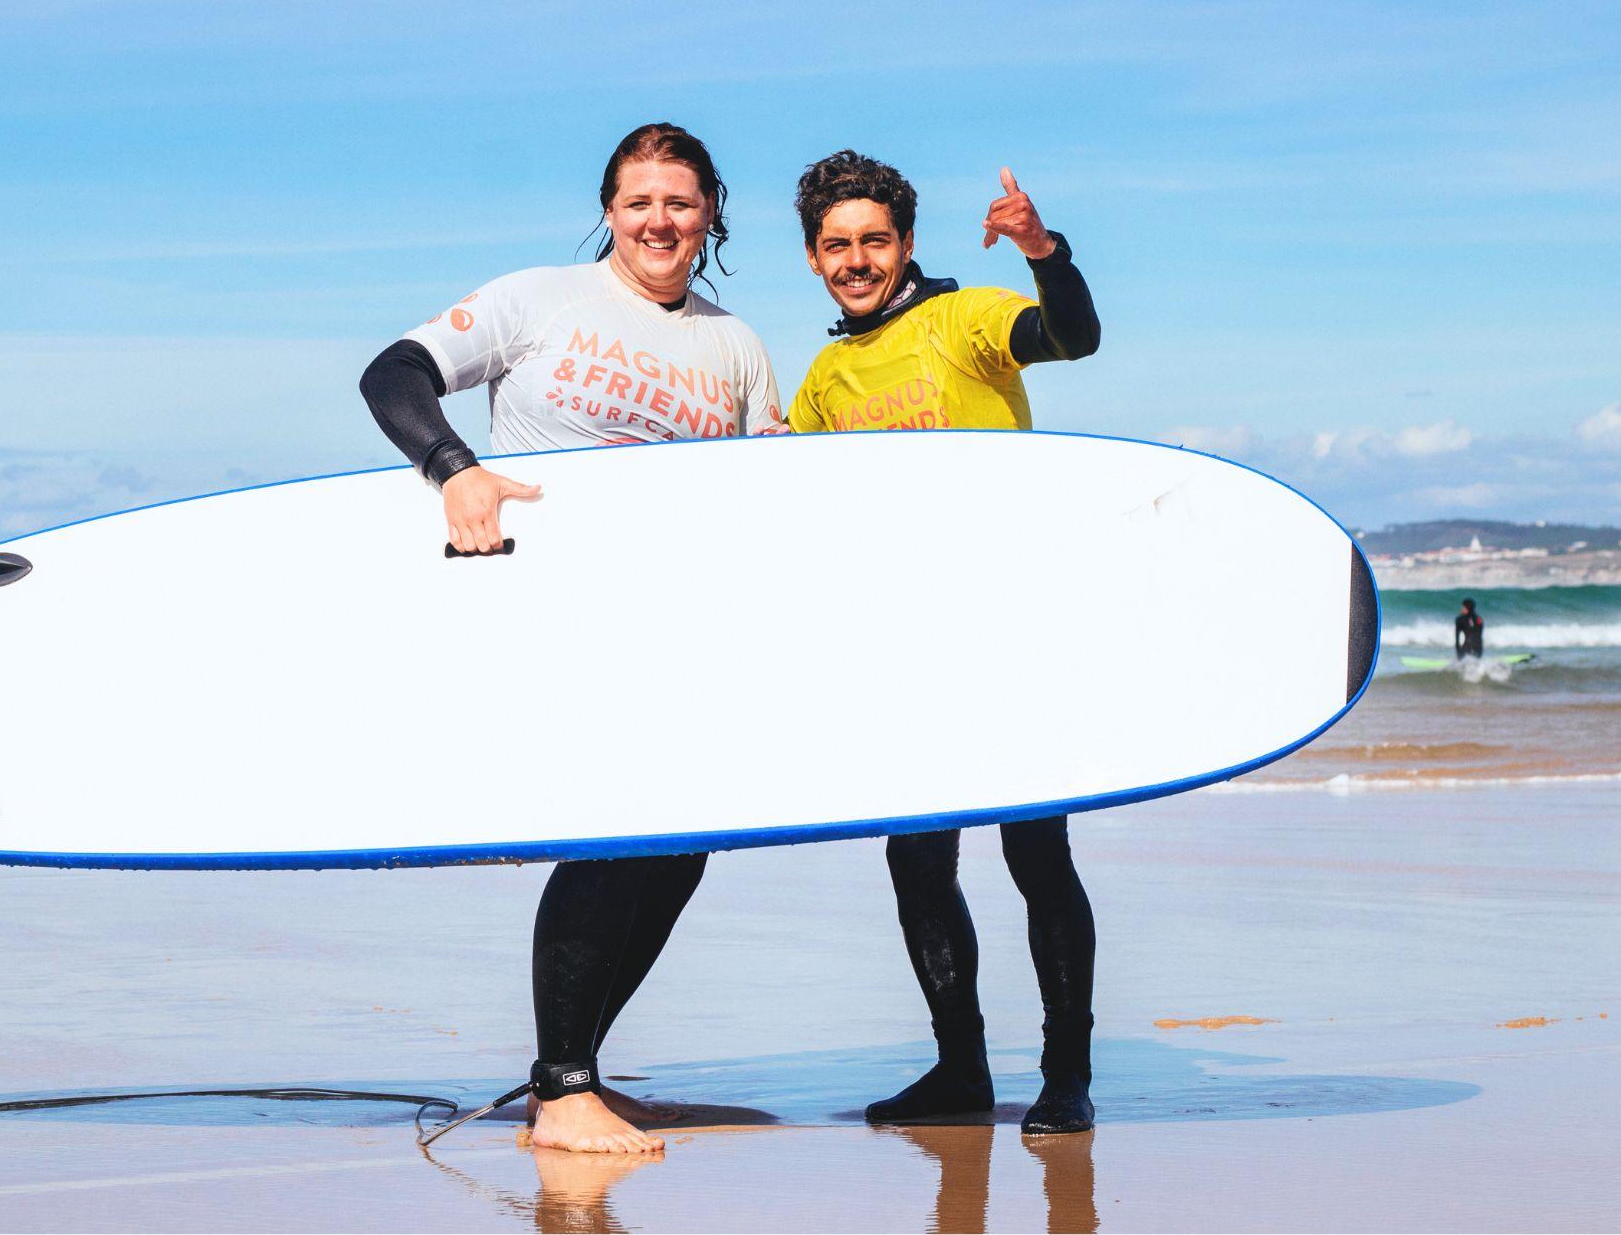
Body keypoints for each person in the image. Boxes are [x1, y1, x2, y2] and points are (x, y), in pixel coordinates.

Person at [359, 123, 783, 1152]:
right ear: (608, 210)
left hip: (670, 624)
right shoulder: (538, 298)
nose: (658, 220)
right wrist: (452, 467)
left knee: (678, 850)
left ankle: (577, 1068)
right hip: (549, 613)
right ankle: (562, 1089)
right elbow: (391, 375)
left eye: (680, 202)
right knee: (612, 830)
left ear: (710, 215)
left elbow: (767, 493)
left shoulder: (733, 343)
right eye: (639, 200)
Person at [784, 150, 1103, 1134]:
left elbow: (1071, 336)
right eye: (836, 245)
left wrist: (1041, 250)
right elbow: (797, 514)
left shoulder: (964, 320)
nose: (856, 259)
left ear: (905, 243)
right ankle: (960, 1071)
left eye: (873, 240)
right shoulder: (824, 380)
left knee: (1034, 855)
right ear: (811, 258)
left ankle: (1064, 1080)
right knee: (916, 865)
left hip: (1009, 630)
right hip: (903, 650)